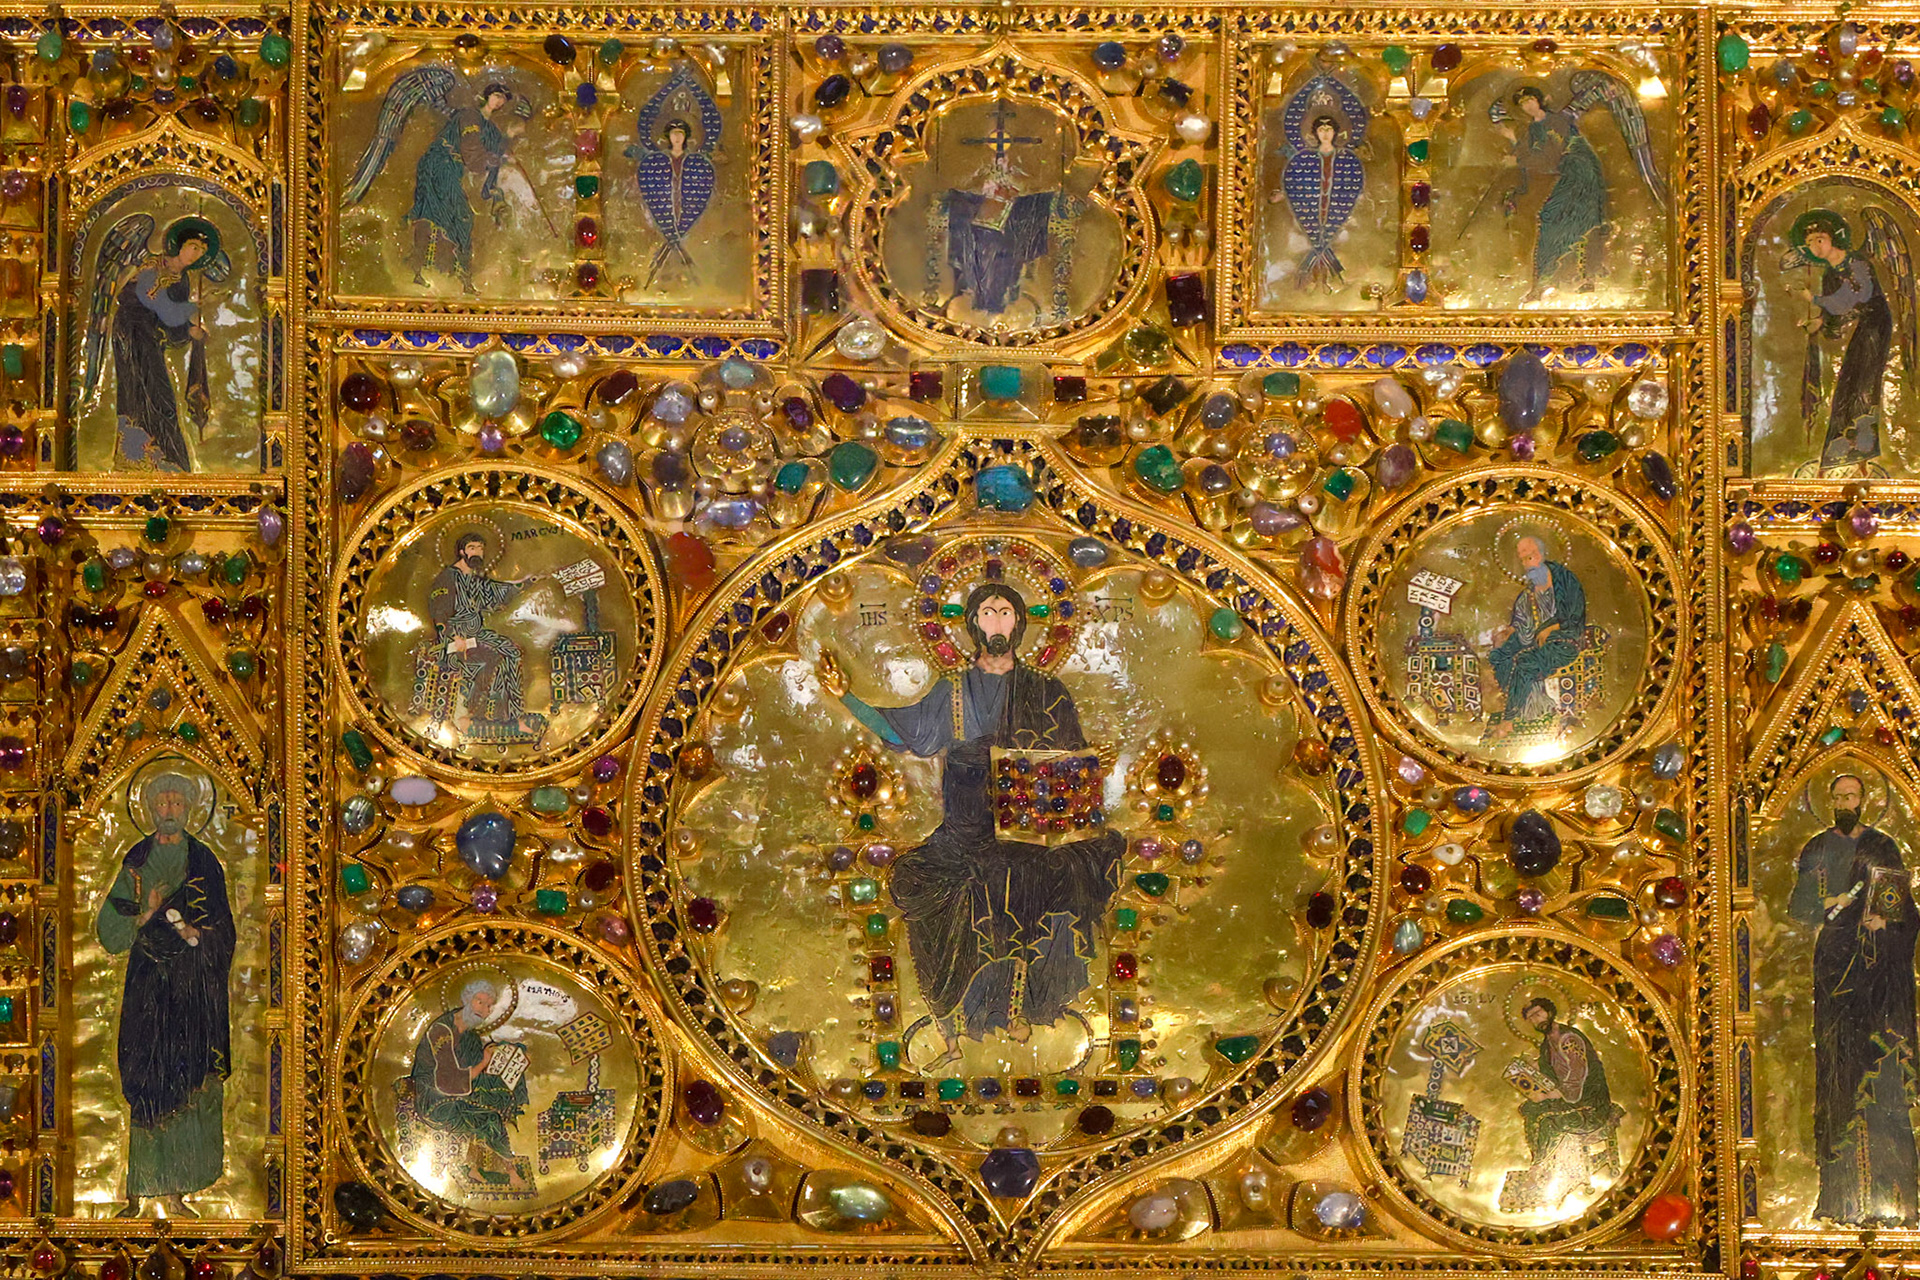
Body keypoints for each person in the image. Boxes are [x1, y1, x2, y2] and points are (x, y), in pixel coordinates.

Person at [817, 582, 1123, 1061]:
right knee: (914, 881)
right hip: (963, 829)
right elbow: (903, 732)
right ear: (972, 624)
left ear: (1020, 623)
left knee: (1022, 882)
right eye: (987, 613)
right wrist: (847, 698)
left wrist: (1091, 762)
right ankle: (951, 1022)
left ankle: (1017, 1011)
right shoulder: (953, 690)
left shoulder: (1048, 692)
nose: (996, 622)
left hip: (1026, 829)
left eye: (1005, 613)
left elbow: (1069, 769)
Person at [95, 772, 236, 1217]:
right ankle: (138, 1191)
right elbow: (109, 930)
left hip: (192, 987)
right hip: (148, 984)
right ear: (151, 809)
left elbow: (224, 930)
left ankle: (176, 1192)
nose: (170, 810)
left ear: (189, 810)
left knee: (187, 1076)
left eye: (177, 803)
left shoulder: (204, 862)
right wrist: (146, 915)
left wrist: (198, 935)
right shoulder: (136, 863)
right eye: (162, 803)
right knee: (148, 1076)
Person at [1788, 773, 1919, 1225]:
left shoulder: (1881, 846)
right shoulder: (1817, 848)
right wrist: (1830, 900)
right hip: (1835, 968)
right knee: (1839, 1069)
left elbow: (1903, 906)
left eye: (1852, 796)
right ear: (1829, 801)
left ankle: (1896, 1198)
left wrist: (1888, 923)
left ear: (1864, 800)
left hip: (1880, 971)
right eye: (1839, 796)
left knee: (1882, 1068)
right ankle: (1841, 1199)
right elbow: (1799, 907)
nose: (1845, 802)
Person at [111, 219, 216, 472]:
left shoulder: (183, 280)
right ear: (180, 245)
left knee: (160, 395)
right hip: (132, 332)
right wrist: (191, 309)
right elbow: (155, 302)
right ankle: (138, 456)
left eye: (201, 250)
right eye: (193, 246)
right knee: (141, 392)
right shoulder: (154, 265)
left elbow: (170, 325)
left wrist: (190, 331)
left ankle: (166, 459)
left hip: (151, 337)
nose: (196, 253)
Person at [406, 979, 531, 1188]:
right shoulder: (441, 1031)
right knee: (489, 1116)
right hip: (436, 1098)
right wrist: (484, 1062)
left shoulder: (470, 1036)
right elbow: (448, 1081)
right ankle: (511, 1172)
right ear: (466, 999)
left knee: (497, 1097)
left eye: (489, 1005)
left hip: (459, 1093)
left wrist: (509, 1058)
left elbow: (479, 1071)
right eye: (479, 1001)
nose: (484, 1009)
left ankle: (474, 1167)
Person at [422, 531, 545, 743]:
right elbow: (439, 609)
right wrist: (453, 636)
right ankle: (479, 715)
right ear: (462, 551)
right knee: (497, 655)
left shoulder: (475, 580)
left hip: (477, 636)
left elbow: (499, 591)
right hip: (454, 640)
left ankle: (511, 716)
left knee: (512, 651)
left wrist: (527, 583)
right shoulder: (447, 578)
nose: (477, 552)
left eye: (480, 548)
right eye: (472, 548)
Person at [1795, 212, 1895, 472]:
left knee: (1863, 387)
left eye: (1820, 239)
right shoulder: (1830, 274)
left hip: (1875, 327)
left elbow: (1856, 296)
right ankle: (1842, 453)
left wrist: (1813, 299)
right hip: (1861, 329)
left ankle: (1862, 451)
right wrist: (1817, 322)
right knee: (1846, 388)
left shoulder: (1857, 262)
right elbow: (1836, 315)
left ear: (1833, 238)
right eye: (1810, 243)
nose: (1815, 247)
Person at [408, 83, 516, 290]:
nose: (499, 101)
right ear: (487, 96)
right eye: (496, 95)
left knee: (448, 216)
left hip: (453, 169)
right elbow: (472, 148)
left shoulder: (491, 128)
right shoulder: (469, 116)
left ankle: (438, 273)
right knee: (456, 215)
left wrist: (507, 141)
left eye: (503, 99)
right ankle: (450, 274)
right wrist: (494, 159)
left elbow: (495, 150)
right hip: (440, 164)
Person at [1503, 86, 1608, 294]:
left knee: (1565, 217)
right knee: (1557, 217)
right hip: (1569, 173)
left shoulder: (1557, 121)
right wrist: (1513, 142)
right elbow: (1533, 154)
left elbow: (1550, 157)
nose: (1528, 105)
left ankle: (1572, 276)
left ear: (1539, 100)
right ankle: (1550, 278)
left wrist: (1518, 161)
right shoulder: (1534, 128)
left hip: (1582, 172)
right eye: (1523, 104)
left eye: (1530, 100)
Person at [1485, 534, 1588, 739]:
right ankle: (1531, 710)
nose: (1526, 564)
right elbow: (1523, 624)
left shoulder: (1566, 581)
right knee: (1500, 657)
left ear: (1542, 554)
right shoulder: (1530, 593)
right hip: (1537, 643)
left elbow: (1575, 617)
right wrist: (1510, 631)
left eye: (1530, 557)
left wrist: (1552, 627)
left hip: (1565, 642)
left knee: (1525, 663)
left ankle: (1509, 721)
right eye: (1522, 559)